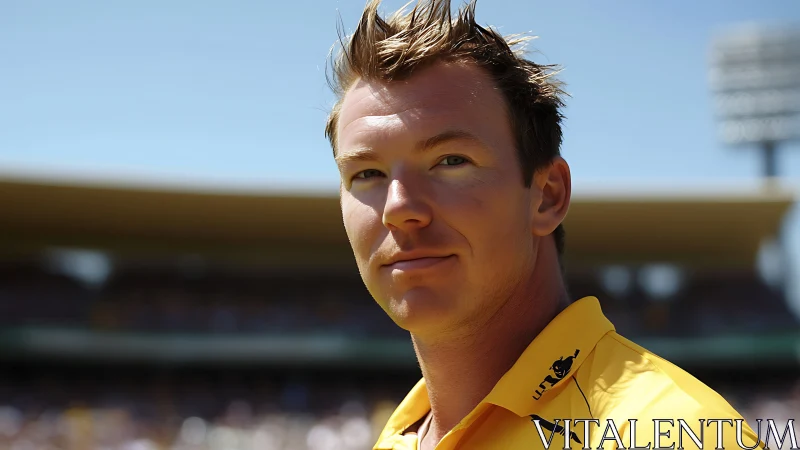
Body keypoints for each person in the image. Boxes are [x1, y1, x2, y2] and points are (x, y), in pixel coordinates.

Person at [324, 1, 766, 449]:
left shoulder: (671, 434)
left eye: (450, 161)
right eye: (367, 174)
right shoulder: (398, 438)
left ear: (548, 195)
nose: (398, 207)